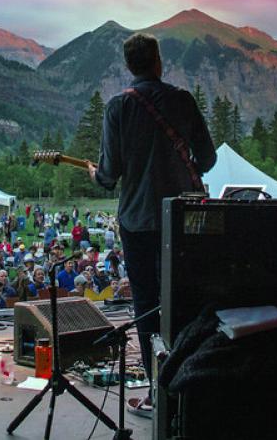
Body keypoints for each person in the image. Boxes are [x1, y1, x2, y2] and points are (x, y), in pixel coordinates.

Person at [88, 33, 216, 418]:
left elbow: (109, 174)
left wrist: (96, 174)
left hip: (139, 219)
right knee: (188, 299)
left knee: (146, 306)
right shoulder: (182, 100)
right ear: (159, 61)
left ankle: (158, 393)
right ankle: (193, 384)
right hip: (184, 218)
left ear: (129, 66)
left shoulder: (118, 107)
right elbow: (207, 159)